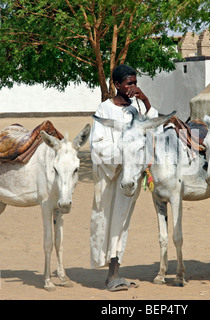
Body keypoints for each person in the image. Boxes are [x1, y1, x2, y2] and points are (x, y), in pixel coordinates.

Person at [89, 64, 160, 291]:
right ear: (116, 85)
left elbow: (152, 129)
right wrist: (125, 153)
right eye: (128, 83)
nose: (132, 87)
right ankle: (111, 275)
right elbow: (98, 145)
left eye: (135, 83)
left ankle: (114, 273)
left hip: (130, 177)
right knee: (107, 220)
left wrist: (146, 100)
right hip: (111, 176)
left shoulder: (137, 107)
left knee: (122, 222)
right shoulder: (104, 109)